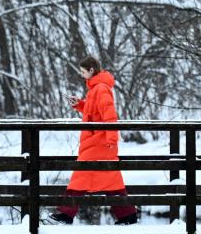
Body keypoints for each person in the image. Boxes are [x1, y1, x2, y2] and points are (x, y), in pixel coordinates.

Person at [48, 56, 138, 225]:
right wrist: (80, 105)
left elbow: (109, 115)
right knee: (111, 180)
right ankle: (128, 215)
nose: (82, 75)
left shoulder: (101, 89)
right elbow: (93, 112)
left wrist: (112, 138)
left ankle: (65, 215)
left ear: (91, 70)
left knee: (80, 176)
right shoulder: (96, 89)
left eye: (83, 72)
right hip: (97, 142)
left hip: (99, 142)